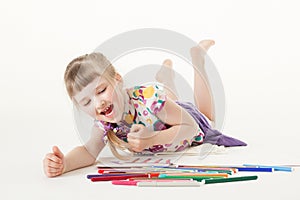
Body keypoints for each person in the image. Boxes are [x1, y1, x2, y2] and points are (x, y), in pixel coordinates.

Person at [43, 40, 246, 178]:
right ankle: (165, 77)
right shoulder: (104, 124)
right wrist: (65, 164)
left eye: (101, 90)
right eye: (86, 103)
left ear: (117, 79)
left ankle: (198, 60)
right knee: (167, 106)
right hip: (165, 113)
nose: (98, 104)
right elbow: (88, 152)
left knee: (207, 117)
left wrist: (154, 139)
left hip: (182, 120)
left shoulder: (150, 103)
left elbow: (191, 127)